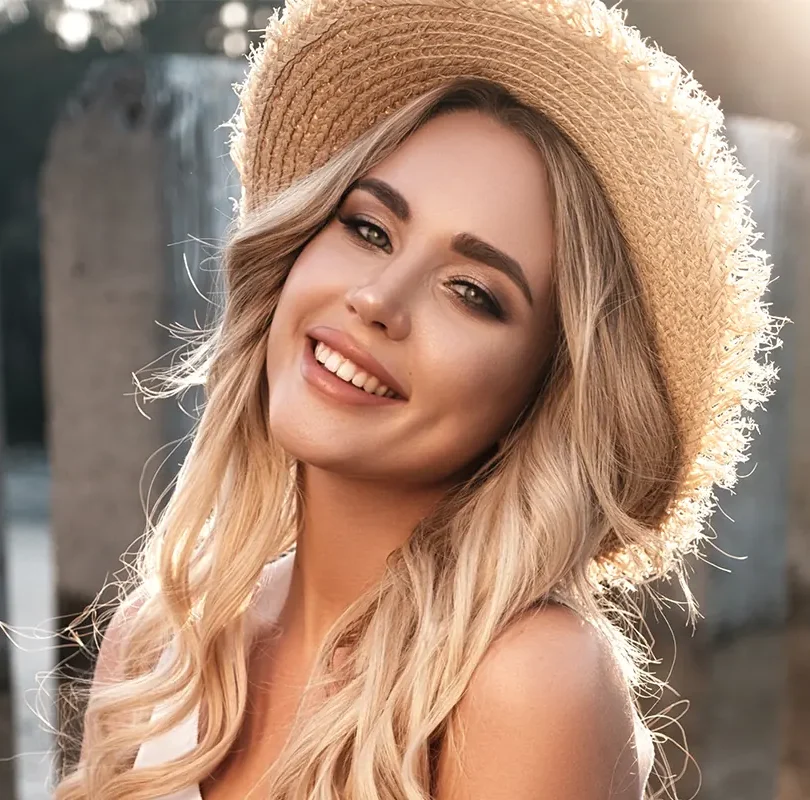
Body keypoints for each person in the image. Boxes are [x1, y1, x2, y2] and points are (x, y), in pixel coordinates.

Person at [54, 1, 781, 798]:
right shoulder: (158, 650)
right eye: (369, 229)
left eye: (472, 291)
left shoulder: (529, 684)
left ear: (544, 391)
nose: (377, 299)